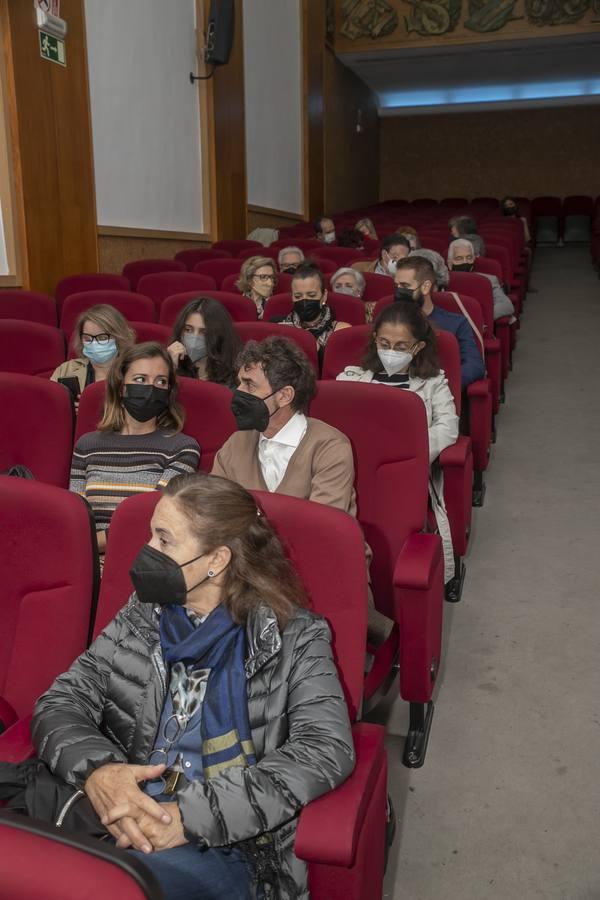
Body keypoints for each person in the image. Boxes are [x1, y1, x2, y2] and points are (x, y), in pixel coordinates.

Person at [32, 472, 354, 900]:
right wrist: (101, 772)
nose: (146, 551)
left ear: (216, 560)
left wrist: (189, 816)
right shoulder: (144, 614)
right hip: (117, 812)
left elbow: (324, 749)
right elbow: (63, 700)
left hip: (223, 841)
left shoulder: (295, 636)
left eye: (164, 541)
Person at [336, 301, 458, 583]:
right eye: (384, 343)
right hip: (354, 471)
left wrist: (412, 451)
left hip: (405, 474)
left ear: (418, 347)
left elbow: (448, 426)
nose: (391, 352)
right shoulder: (351, 378)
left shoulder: (433, 382)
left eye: (401, 347)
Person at [69, 343, 200, 555]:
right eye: (140, 379)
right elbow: (76, 517)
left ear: (168, 392)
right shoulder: (87, 445)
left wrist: (82, 545)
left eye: (161, 381)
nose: (151, 388)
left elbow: (150, 522)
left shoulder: (182, 447)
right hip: (86, 564)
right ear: (121, 387)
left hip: (143, 561)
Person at [212, 336, 355, 512]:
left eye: (249, 385)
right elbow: (214, 512)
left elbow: (322, 530)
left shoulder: (330, 447)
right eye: (239, 383)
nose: (238, 392)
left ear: (284, 396)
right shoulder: (236, 443)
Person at [393, 257, 485, 387]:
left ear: (426, 287)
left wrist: (441, 385)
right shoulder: (388, 319)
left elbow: (474, 366)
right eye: (396, 285)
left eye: (405, 286)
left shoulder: (456, 323)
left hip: (439, 393)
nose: (399, 291)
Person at [51, 304, 135, 396]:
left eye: (102, 338)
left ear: (119, 337)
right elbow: (52, 405)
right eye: (87, 338)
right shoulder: (65, 369)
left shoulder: (135, 370)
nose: (94, 343)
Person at [167, 297, 242, 387]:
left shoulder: (237, 370)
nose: (194, 338)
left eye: (203, 332)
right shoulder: (171, 361)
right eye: (188, 329)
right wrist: (170, 368)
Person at [280, 263, 351, 353]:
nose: (304, 301)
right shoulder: (281, 328)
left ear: (324, 296)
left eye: (311, 295)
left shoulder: (340, 331)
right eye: (298, 296)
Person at [447, 239, 515, 320]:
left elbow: (506, 305)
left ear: (473, 260)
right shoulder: (442, 283)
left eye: (469, 257)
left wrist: (479, 318)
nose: (465, 262)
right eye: (459, 258)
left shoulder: (488, 280)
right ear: (450, 264)